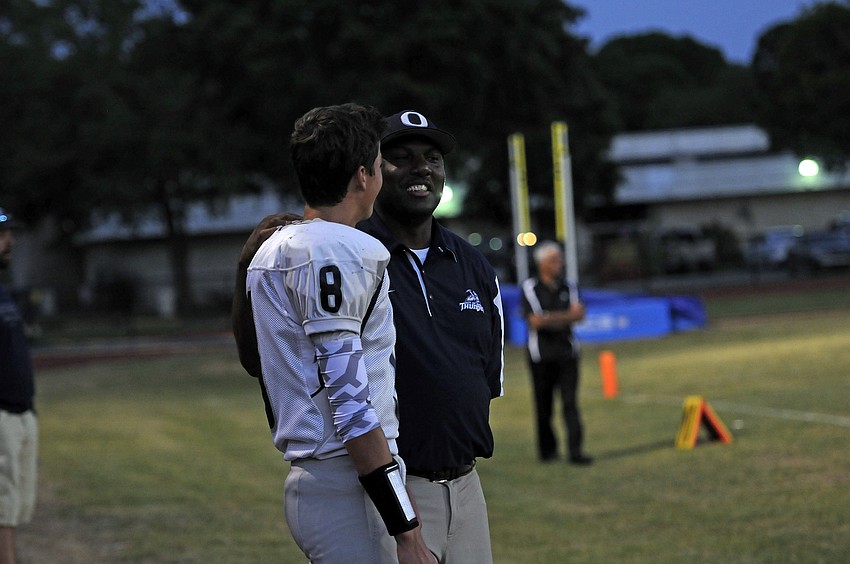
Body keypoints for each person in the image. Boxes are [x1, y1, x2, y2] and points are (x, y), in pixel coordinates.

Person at [234, 110, 505, 564]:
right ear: (366, 173)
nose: (421, 168)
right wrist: (404, 523)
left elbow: (483, 379)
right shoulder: (343, 250)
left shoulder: (470, 263)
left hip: (455, 479)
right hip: (381, 480)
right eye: (393, 159)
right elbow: (350, 401)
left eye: (433, 157)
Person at [520, 241, 592, 465]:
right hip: (541, 355)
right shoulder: (530, 287)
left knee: (570, 403)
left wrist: (550, 317)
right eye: (554, 260)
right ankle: (547, 452)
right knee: (544, 406)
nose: (560, 264)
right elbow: (535, 321)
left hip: (567, 353)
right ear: (542, 264)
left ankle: (576, 452)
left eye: (560, 259)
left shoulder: (568, 286)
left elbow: (579, 315)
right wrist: (564, 316)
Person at [0, 208, 38, 564]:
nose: (9, 241)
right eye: (2, 234)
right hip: (2, 415)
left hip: (21, 411)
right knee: (2, 505)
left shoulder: (4, 292)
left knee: (12, 507)